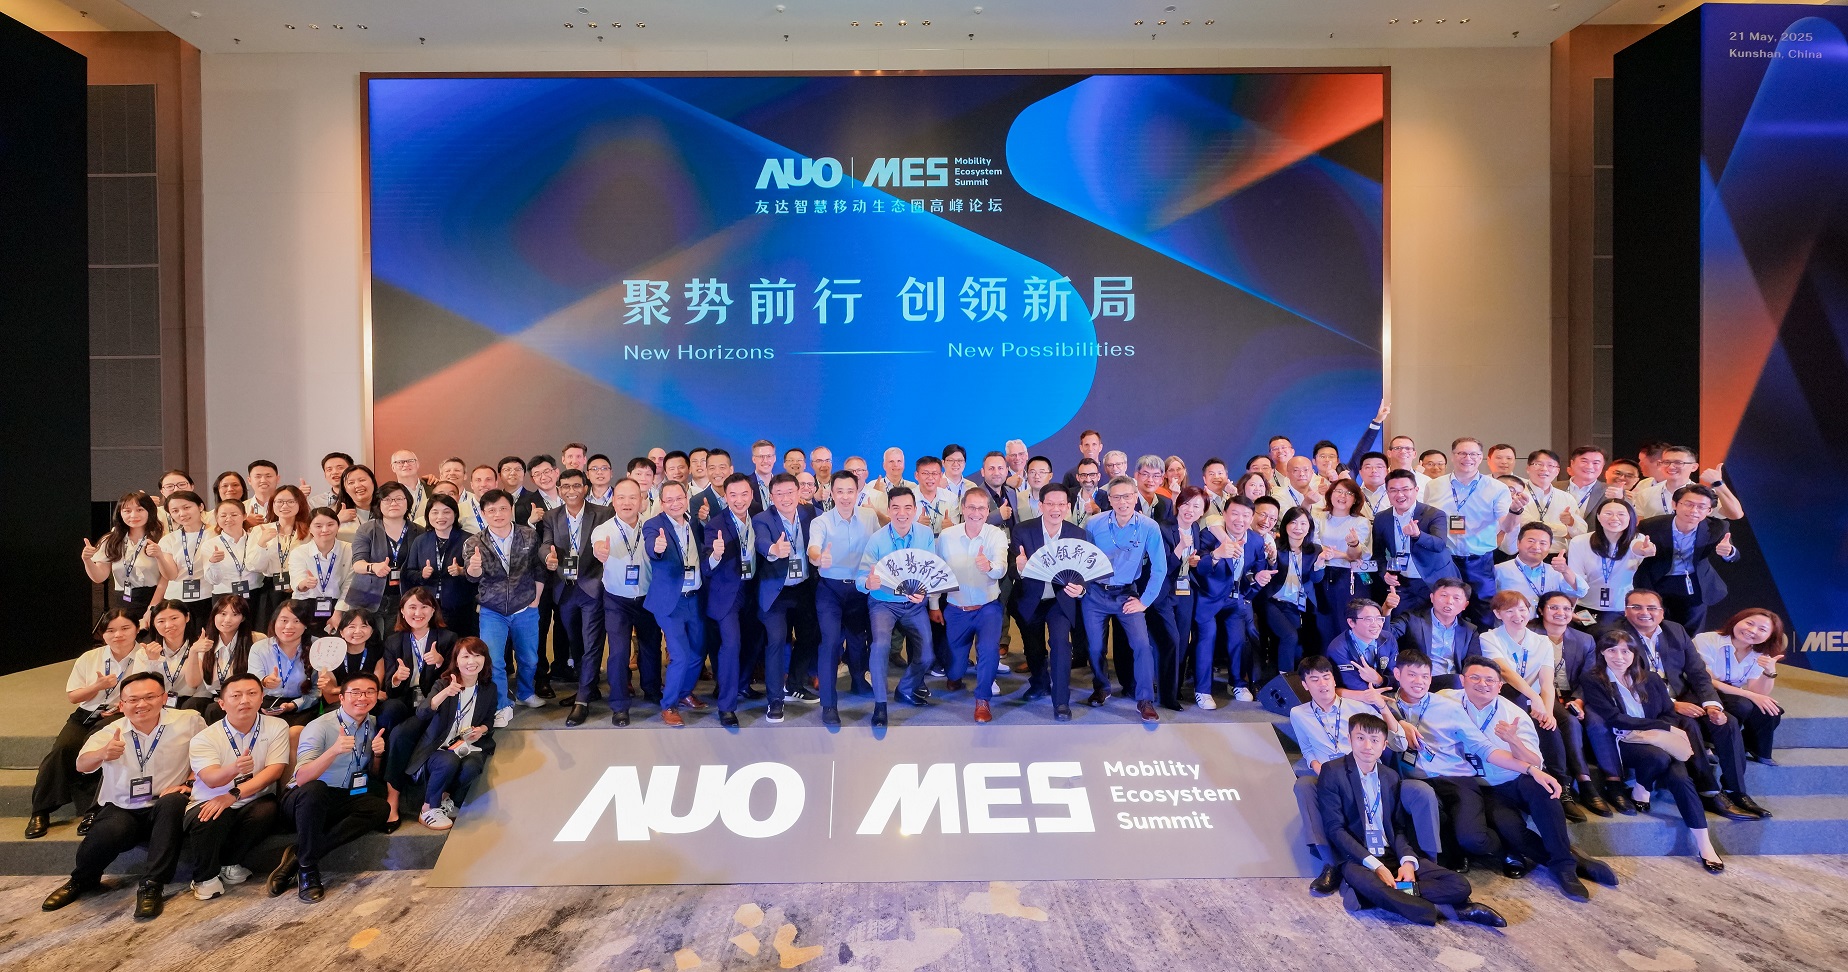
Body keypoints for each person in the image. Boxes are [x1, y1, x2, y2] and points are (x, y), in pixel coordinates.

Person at [1441, 657, 1616, 895]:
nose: (1482, 684)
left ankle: (1564, 867)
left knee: (1545, 792)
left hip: (1517, 775)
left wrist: (1513, 740)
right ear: (1462, 680)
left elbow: (1534, 761)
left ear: (1500, 685)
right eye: (1475, 678)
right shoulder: (1446, 700)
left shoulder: (1513, 713)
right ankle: (1574, 861)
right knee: (1511, 829)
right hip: (1485, 786)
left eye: (1490, 680)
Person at [1315, 713, 1507, 927]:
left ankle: (1387, 894)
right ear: (1350, 739)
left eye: (1375, 740)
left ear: (1384, 745)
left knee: (1459, 884)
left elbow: (1398, 827)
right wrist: (1376, 866)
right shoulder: (1332, 771)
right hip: (1357, 857)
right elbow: (1335, 829)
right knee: (1371, 884)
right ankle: (1454, 911)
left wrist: (1407, 861)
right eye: (1360, 738)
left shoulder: (1390, 776)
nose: (1367, 746)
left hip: (1391, 852)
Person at [40, 672, 205, 920]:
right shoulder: (110, 731)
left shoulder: (189, 721)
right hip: (124, 805)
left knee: (172, 803)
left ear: (163, 698)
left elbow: (204, 753)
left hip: (166, 801)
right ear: (122, 704)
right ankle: (82, 880)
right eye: (133, 699)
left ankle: (151, 886)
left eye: (150, 697)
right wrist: (103, 753)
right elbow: (81, 765)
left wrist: (190, 782)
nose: (141, 704)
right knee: (110, 831)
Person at [1286, 656, 1436, 893]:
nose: (1323, 684)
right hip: (1329, 778)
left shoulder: (1358, 707)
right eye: (1314, 679)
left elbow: (1396, 743)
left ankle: (1428, 862)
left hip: (1369, 775)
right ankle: (1331, 864)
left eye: (1326, 677)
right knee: (1304, 785)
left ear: (1334, 679)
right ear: (1304, 685)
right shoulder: (1298, 713)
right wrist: (1320, 768)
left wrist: (1387, 712)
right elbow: (1307, 749)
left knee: (1421, 791)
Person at [1580, 629, 1727, 873]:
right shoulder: (1593, 679)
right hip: (1624, 740)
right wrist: (1661, 726)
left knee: (1680, 778)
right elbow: (1614, 718)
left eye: (1625, 651)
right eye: (1611, 650)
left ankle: (1705, 845)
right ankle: (1642, 788)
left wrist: (1662, 728)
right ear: (1602, 653)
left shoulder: (1651, 678)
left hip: (1657, 738)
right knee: (1658, 757)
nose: (1619, 657)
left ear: (1634, 653)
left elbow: (1668, 711)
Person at [1618, 589, 1765, 819]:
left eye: (1651, 608)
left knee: (1727, 722)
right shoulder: (1616, 634)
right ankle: (1709, 791)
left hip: (1682, 694)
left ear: (1661, 612)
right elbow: (1623, 680)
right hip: (1646, 703)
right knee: (1688, 724)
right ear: (1626, 611)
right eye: (1636, 607)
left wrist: (1712, 705)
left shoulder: (1675, 630)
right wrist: (1672, 704)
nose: (1644, 612)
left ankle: (1736, 791)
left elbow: (1697, 672)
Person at [270, 671, 391, 902]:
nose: (362, 697)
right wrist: (333, 751)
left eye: (369, 692)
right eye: (355, 692)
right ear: (342, 697)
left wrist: (377, 756)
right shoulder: (320, 726)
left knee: (379, 808)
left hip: (342, 795)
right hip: (302, 799)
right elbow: (302, 778)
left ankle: (298, 856)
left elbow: (372, 775)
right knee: (316, 790)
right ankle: (308, 869)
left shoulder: (375, 725)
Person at [26, 610, 144, 839]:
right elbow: (73, 696)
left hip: (121, 715)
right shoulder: (90, 658)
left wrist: (125, 705)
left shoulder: (145, 656)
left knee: (97, 748)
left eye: (125, 628)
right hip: (86, 714)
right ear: (102, 634)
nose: (118, 635)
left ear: (137, 629)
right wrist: (97, 686)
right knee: (62, 749)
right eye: (110, 630)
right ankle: (40, 811)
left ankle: (93, 811)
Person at [184, 672, 290, 901]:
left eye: (252, 693)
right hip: (209, 798)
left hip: (252, 797)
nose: (245, 700)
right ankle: (204, 877)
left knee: (268, 809)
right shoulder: (204, 738)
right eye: (236, 696)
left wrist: (234, 794)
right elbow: (211, 779)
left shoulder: (276, 726)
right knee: (210, 814)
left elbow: (275, 770)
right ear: (222, 703)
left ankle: (230, 863)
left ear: (261, 698)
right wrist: (234, 769)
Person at [1082, 476, 1168, 722]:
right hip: (1095, 593)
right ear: (1109, 499)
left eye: (1127, 496)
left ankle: (1145, 699)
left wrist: (1145, 601)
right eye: (1117, 497)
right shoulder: (1094, 523)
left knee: (1142, 644)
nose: (1123, 502)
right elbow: (1084, 560)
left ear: (1135, 497)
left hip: (1127, 594)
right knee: (1095, 647)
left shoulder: (1149, 526)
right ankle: (1102, 687)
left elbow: (1159, 568)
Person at [463, 489, 545, 727]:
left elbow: (539, 569)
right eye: (491, 510)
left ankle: (525, 692)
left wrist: (536, 599)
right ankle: (502, 705)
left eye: (502, 509)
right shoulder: (474, 542)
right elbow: (471, 577)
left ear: (511, 510)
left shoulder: (529, 535)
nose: (497, 514)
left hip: (526, 606)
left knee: (529, 658)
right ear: (483, 513)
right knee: (494, 660)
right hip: (492, 609)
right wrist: (474, 567)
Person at [399, 637, 498, 832]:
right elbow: (422, 713)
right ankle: (428, 808)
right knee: (448, 760)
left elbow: (489, 720)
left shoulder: (489, 688)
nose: (472, 661)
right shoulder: (443, 684)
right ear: (456, 661)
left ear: (485, 660)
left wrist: (481, 730)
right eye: (466, 656)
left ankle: (447, 799)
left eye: (478, 656)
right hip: (437, 747)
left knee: (472, 766)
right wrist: (445, 693)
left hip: (467, 745)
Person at [857, 487, 937, 726]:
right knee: (880, 645)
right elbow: (861, 577)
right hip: (883, 603)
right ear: (889, 510)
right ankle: (880, 704)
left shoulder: (925, 534)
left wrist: (923, 591)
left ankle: (906, 688)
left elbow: (930, 570)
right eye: (896, 508)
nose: (902, 513)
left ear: (915, 510)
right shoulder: (877, 539)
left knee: (927, 655)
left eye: (907, 508)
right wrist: (868, 583)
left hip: (913, 605)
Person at [379, 587, 458, 829]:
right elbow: (390, 689)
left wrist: (441, 663)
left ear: (433, 610)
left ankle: (393, 798)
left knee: (400, 734)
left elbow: (457, 677)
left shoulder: (447, 638)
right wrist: (396, 678)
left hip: (434, 703)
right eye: (412, 607)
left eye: (424, 607)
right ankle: (383, 774)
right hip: (406, 701)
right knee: (389, 710)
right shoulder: (394, 641)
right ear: (402, 611)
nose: (418, 612)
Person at [1010, 483, 1090, 721]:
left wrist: (1081, 588)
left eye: (1061, 504)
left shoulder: (1077, 534)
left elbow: (1085, 570)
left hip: (1060, 601)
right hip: (1030, 598)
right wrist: (1019, 568)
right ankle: (1039, 683)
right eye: (1050, 504)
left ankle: (1061, 701)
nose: (1056, 509)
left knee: (1060, 644)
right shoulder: (1023, 530)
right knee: (1033, 648)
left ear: (1068, 507)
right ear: (1040, 505)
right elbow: (1012, 570)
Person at [590, 477, 664, 726]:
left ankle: (652, 690)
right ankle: (620, 704)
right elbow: (598, 546)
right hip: (616, 600)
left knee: (651, 647)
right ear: (613, 501)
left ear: (642, 500)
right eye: (621, 497)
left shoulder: (652, 527)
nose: (627, 502)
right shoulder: (604, 529)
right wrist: (600, 551)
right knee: (619, 652)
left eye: (633, 497)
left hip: (647, 597)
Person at [541, 468, 614, 724]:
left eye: (576, 486)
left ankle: (582, 700)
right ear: (559, 490)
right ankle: (589, 687)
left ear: (585, 488)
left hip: (592, 586)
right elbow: (545, 544)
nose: (570, 491)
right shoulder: (551, 516)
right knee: (576, 643)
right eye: (565, 487)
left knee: (592, 642)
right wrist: (547, 558)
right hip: (565, 588)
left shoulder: (603, 513)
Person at [1421, 438, 1518, 622]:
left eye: (1473, 454)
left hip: (1479, 561)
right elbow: (1427, 521)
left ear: (1481, 457)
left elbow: (1506, 527)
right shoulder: (1434, 486)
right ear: (1452, 456)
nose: (1468, 458)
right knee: (1444, 612)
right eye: (1462, 453)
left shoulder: (1497, 488)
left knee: (1483, 614)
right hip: (1445, 559)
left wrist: (1515, 511)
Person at [935, 488, 1009, 722]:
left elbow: (1001, 567)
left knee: (988, 649)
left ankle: (982, 700)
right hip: (956, 609)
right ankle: (955, 675)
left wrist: (989, 567)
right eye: (971, 507)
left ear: (988, 511)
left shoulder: (995, 535)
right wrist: (934, 605)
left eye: (981, 508)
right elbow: (936, 572)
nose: (976, 513)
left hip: (988, 607)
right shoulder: (946, 536)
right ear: (963, 509)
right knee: (955, 669)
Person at [810, 471, 878, 724]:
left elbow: (880, 544)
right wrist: (819, 558)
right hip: (830, 590)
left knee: (858, 640)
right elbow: (813, 549)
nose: (845, 497)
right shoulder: (821, 522)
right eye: (840, 491)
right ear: (832, 493)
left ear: (858, 492)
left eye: (850, 491)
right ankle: (829, 704)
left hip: (860, 589)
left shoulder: (869, 517)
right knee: (829, 643)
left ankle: (858, 680)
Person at [643, 481, 709, 728]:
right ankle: (668, 705)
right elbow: (652, 547)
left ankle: (684, 693)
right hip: (670, 602)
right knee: (680, 655)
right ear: (662, 503)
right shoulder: (653, 525)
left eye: (679, 498)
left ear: (686, 498)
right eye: (669, 500)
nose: (675, 503)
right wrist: (657, 548)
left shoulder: (694, 523)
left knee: (698, 652)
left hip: (695, 598)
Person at [1190, 496, 1266, 705]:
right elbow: (1199, 569)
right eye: (1234, 513)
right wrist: (1216, 554)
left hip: (1236, 598)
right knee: (1207, 638)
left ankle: (1237, 683)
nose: (1239, 519)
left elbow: (1256, 571)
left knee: (1238, 640)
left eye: (1245, 515)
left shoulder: (1256, 540)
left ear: (1252, 518)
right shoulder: (1209, 535)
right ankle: (1202, 690)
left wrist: (1256, 581)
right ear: (1224, 514)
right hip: (1208, 597)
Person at [1634, 484, 1738, 632]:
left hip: (1695, 583)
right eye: (1688, 504)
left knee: (1691, 633)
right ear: (1675, 504)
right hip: (1657, 580)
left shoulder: (1718, 527)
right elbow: (1634, 549)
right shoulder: (1650, 526)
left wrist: (1729, 552)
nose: (1694, 510)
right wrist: (1642, 551)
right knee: (1652, 629)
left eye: (1701, 507)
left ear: (1709, 510)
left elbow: (1733, 555)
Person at [704, 474, 763, 728]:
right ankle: (726, 706)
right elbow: (706, 567)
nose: (739, 500)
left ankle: (741, 684)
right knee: (731, 644)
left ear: (751, 495)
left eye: (744, 494)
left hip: (754, 589)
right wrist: (716, 555)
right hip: (727, 593)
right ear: (725, 497)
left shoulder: (759, 516)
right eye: (733, 495)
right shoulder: (715, 524)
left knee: (756, 638)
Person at [1694, 609, 1787, 766]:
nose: (1752, 630)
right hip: (1702, 691)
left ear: (1770, 635)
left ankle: (1751, 747)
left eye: (1762, 629)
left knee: (1771, 710)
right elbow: (1706, 680)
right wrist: (1750, 695)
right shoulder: (1707, 640)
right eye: (1749, 623)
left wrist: (1769, 672)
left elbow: (1758, 692)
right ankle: (1710, 743)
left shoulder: (1760, 653)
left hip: (1731, 692)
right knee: (1741, 704)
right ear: (1737, 620)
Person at [1372, 469, 1457, 617]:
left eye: (1405, 489)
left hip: (1435, 581)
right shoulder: (1381, 518)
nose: (1400, 495)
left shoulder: (1434, 514)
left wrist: (1418, 535)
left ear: (1416, 490)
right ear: (1387, 493)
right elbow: (1378, 555)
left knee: (1437, 623)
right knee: (1402, 624)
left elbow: (1439, 545)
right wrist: (1385, 572)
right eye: (1393, 490)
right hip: (1403, 582)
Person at [1256, 506, 1323, 678]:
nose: (1298, 528)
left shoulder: (1315, 550)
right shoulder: (1275, 546)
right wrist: (1271, 558)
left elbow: (1316, 579)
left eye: (1303, 523)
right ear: (1285, 525)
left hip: (1293, 605)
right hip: (1271, 601)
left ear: (1309, 527)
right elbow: (1268, 567)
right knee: (1290, 636)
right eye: (1293, 522)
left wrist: (1319, 565)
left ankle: (1277, 678)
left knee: (1296, 647)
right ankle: (1286, 684)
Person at [85, 491, 167, 624]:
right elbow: (99, 577)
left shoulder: (162, 538)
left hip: (155, 599)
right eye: (127, 511)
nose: (133, 515)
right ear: (119, 513)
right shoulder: (111, 540)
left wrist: (152, 607)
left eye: (140, 510)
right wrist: (87, 560)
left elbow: (166, 577)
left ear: (150, 511)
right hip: (123, 599)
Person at [346, 481, 422, 623]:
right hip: (367, 597)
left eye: (399, 498)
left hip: (404, 597)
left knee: (396, 637)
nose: (393, 503)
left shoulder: (419, 531)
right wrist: (373, 567)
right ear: (378, 504)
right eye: (387, 499)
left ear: (408, 502)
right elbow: (357, 563)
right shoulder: (367, 529)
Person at [1386, 577, 1478, 692]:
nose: (1449, 601)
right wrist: (1387, 609)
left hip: (1457, 687)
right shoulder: (1412, 619)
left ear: (1465, 605)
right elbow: (1385, 636)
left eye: (1456, 598)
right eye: (1444, 595)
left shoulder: (1470, 630)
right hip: (1421, 682)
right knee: (1455, 681)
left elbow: (1474, 664)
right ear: (1432, 597)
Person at [406, 493, 476, 636]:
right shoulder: (420, 541)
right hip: (428, 607)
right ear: (428, 515)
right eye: (435, 512)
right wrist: (422, 574)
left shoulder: (469, 540)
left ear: (455, 514)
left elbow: (479, 575)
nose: (440, 517)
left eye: (446, 512)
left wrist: (462, 571)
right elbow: (409, 573)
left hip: (461, 608)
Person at [1313, 479, 1374, 643]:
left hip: (1349, 577)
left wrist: (1352, 546)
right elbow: (1315, 547)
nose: (1343, 496)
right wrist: (1345, 555)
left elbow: (1357, 555)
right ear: (1330, 494)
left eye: (1349, 493)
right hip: (1321, 575)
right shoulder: (1319, 517)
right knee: (1323, 625)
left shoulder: (1361, 522)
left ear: (1355, 499)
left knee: (1346, 622)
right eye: (1339, 491)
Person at [179, 595, 257, 715]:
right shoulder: (205, 642)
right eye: (223, 614)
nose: (227, 620)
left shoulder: (255, 640)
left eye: (235, 614)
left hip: (240, 696)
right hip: (213, 695)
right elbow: (193, 683)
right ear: (214, 615)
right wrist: (193, 652)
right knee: (191, 706)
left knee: (214, 710)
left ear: (243, 618)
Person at [249, 600, 319, 729]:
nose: (289, 626)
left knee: (295, 732)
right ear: (275, 622)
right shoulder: (259, 648)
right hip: (267, 703)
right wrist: (265, 681)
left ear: (305, 625)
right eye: (284, 620)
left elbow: (317, 690)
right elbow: (252, 682)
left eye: (297, 621)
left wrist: (293, 705)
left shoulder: (317, 647)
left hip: (302, 705)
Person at [253, 483, 311, 629]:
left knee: (297, 629)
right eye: (279, 501)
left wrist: (298, 582)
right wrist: (262, 543)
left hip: (300, 588)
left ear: (300, 504)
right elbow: (254, 566)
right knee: (268, 630)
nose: (285, 506)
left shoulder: (309, 531)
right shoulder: (260, 530)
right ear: (272, 504)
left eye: (291, 501)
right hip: (270, 588)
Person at [287, 507, 353, 633]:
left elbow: (349, 584)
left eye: (330, 524)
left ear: (338, 526)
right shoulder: (299, 552)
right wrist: (304, 583)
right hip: (305, 605)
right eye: (318, 526)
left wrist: (338, 613)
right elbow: (297, 581)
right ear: (309, 528)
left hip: (339, 606)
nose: (325, 530)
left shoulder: (349, 550)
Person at [159, 489, 216, 629]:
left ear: (200, 507)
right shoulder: (168, 539)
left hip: (208, 597)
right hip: (176, 600)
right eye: (175, 511)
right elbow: (171, 575)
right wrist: (159, 556)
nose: (182, 514)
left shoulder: (216, 533)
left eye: (186, 507)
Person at [1495, 522, 1588, 603]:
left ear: (1549, 547)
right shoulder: (1499, 570)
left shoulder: (1556, 572)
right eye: (1531, 541)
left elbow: (1581, 591)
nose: (1536, 547)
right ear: (1518, 543)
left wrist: (1566, 570)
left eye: (1543, 543)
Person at [206, 497, 271, 610]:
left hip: (255, 593)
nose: (228, 518)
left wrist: (261, 545)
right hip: (224, 596)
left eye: (234, 514)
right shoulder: (210, 545)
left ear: (244, 516)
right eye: (223, 516)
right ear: (217, 519)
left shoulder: (256, 539)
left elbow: (263, 567)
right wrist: (213, 563)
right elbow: (213, 580)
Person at [1324, 599, 1395, 692]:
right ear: (1351, 622)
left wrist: (1379, 680)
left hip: (1388, 692)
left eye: (1379, 619)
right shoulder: (1338, 649)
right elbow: (1355, 686)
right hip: (1356, 697)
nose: (1376, 625)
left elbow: (1397, 677)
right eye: (1368, 619)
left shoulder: (1387, 638)